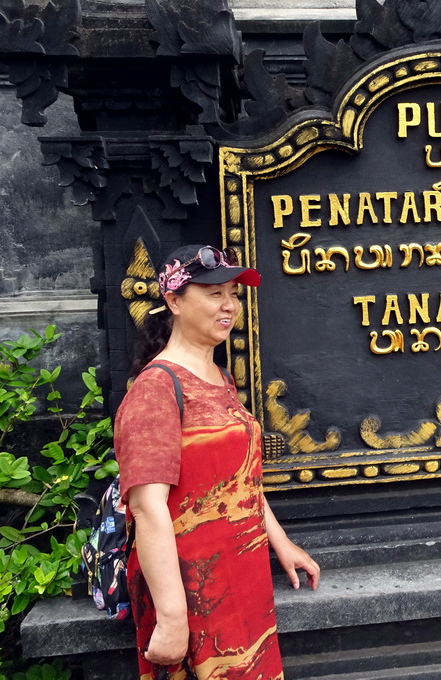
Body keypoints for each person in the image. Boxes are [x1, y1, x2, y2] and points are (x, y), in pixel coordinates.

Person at [114, 244, 320, 680]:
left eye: (234, 293)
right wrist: (172, 617)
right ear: (173, 301)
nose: (229, 305)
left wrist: (280, 543)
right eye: (213, 293)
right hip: (192, 589)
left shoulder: (220, 379)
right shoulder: (155, 389)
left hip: (242, 576)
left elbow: (239, 480)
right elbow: (147, 507)